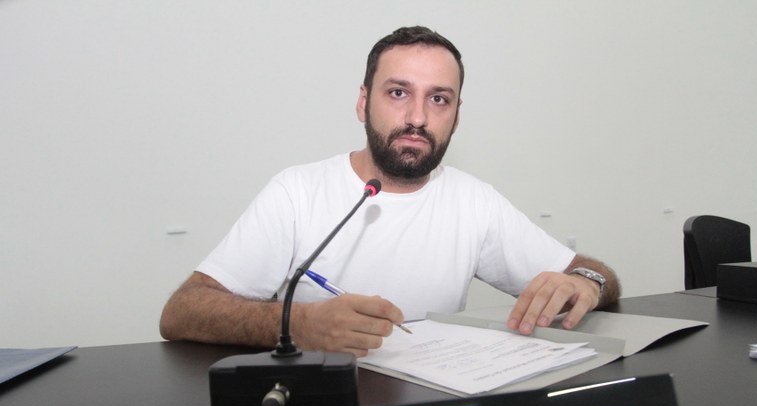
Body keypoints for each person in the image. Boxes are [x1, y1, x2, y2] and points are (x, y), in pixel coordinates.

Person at [159, 26, 620, 357]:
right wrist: (298, 324)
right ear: (364, 103)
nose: (418, 118)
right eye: (398, 93)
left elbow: (596, 275)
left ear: (456, 116)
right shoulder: (297, 192)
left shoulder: (474, 201)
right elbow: (181, 312)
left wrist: (587, 283)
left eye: (438, 99)